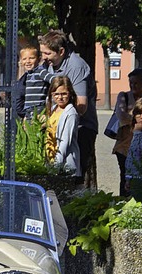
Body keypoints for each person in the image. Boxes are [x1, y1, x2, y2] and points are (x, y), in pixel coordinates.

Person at [36, 29, 98, 187]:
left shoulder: (76, 67)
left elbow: (81, 105)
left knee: (73, 176)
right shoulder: (50, 64)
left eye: (48, 53)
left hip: (80, 128)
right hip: (56, 125)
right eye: (42, 53)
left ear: (61, 51)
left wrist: (60, 117)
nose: (44, 57)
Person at [111, 68, 142, 196]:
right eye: (130, 82)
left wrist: (134, 120)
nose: (132, 86)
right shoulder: (123, 96)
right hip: (124, 146)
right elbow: (121, 116)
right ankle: (123, 203)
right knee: (125, 177)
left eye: (136, 83)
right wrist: (141, 120)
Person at [45, 76, 80, 176]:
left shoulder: (70, 113)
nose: (60, 97)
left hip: (62, 162)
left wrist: (56, 165)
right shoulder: (53, 108)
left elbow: (65, 141)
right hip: (49, 157)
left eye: (64, 94)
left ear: (70, 94)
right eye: (56, 94)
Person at [12, 46, 49, 120]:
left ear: (38, 59)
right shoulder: (28, 75)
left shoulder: (41, 72)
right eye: (24, 59)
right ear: (21, 61)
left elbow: (53, 80)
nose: (28, 61)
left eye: (31, 58)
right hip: (28, 109)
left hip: (39, 109)